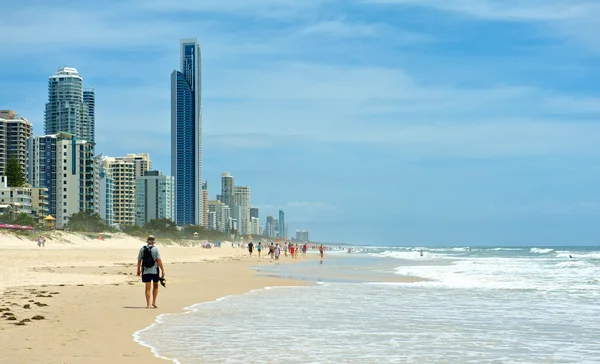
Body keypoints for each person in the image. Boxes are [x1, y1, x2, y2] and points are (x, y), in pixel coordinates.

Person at [136, 235, 165, 309]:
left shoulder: (142, 249)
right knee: (155, 286)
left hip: (145, 270)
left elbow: (139, 260)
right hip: (154, 270)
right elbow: (159, 261)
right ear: (153, 242)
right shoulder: (155, 249)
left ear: (147, 241)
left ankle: (148, 304)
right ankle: (154, 302)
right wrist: (163, 270)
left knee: (147, 288)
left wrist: (138, 270)